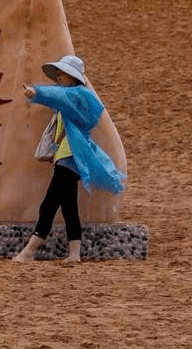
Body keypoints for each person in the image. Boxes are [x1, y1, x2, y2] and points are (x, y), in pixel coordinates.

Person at [14, 55, 124, 264]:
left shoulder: (76, 95)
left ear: (72, 76)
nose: (58, 76)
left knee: (49, 205)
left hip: (69, 156)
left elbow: (55, 95)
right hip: (68, 156)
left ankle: (29, 251)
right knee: (68, 206)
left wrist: (35, 92)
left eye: (61, 72)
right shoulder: (76, 96)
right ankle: (75, 253)